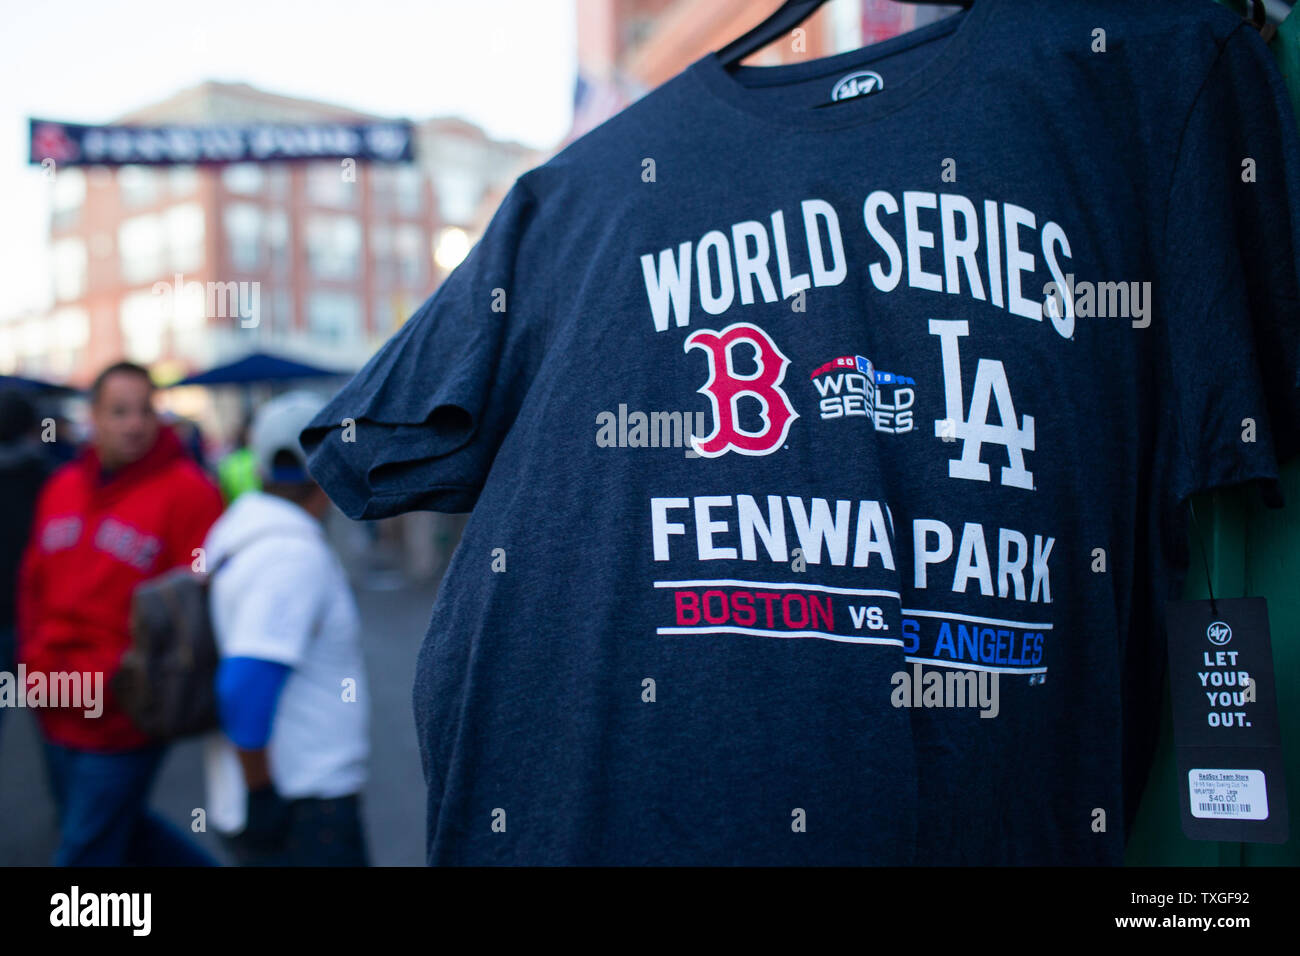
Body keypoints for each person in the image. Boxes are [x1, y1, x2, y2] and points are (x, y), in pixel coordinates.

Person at [17, 361, 224, 865]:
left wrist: (138, 683)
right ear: (94, 418)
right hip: (53, 704)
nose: (134, 423)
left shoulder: (189, 492)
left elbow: (203, 607)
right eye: (119, 411)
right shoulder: (61, 486)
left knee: (84, 851)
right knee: (116, 830)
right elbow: (33, 587)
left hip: (124, 716)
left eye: (144, 411)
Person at [202, 391, 370, 866]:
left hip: (284, 795)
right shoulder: (291, 555)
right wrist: (263, 797)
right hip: (304, 805)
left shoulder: (240, 529)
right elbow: (244, 684)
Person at [0, 388, 52, 747]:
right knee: (55, 723)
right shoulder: (49, 478)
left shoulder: (48, 477)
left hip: (30, 620)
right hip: (37, 620)